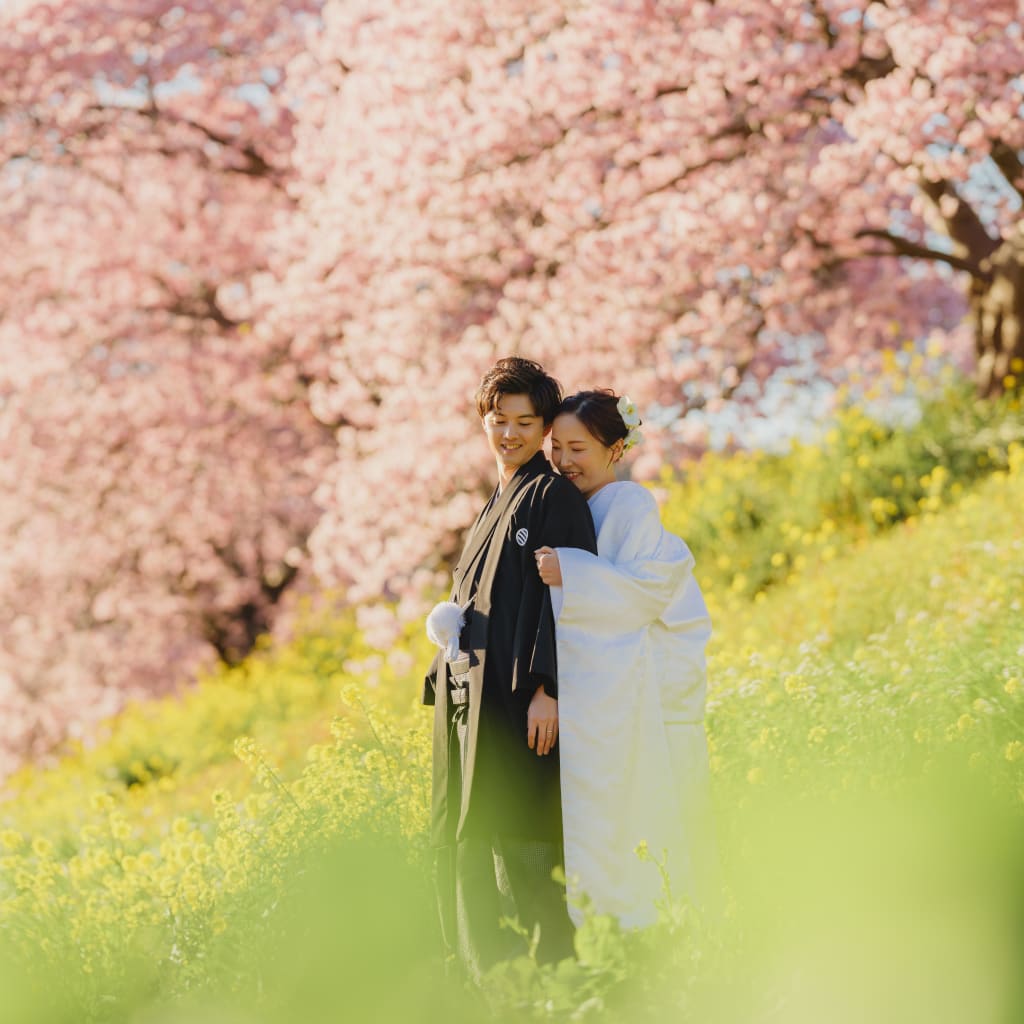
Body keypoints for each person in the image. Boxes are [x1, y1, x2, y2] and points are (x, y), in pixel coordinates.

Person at [423, 358, 598, 980]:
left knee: (526, 843)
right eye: (499, 420)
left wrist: (550, 686)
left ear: (545, 426)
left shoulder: (552, 495)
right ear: (483, 422)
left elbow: (569, 594)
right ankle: (495, 988)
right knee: (476, 842)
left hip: (525, 705)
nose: (510, 434)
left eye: (526, 422)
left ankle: (553, 986)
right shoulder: (491, 504)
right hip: (476, 703)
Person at [535, 389, 715, 928]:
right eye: (557, 448)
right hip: (608, 691)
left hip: (642, 694)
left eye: (579, 448)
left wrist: (572, 574)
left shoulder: (629, 504)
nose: (564, 461)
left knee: (653, 819)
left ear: (615, 450)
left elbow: (641, 595)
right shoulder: (573, 505)